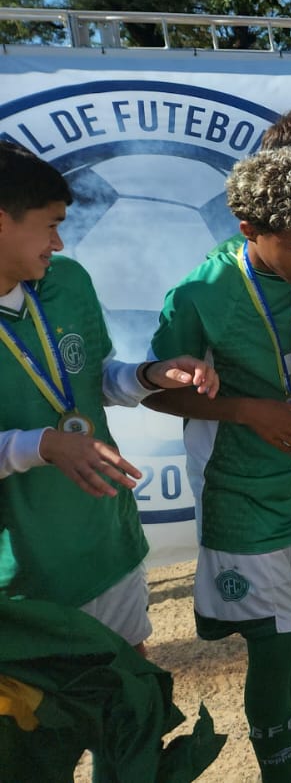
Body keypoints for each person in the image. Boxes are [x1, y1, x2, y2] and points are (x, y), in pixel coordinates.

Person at [0, 142, 219, 779]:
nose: (60, 245)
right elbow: (50, 429)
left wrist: (151, 375)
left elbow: (91, 380)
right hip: (25, 586)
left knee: (128, 717)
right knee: (37, 750)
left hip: (107, 544)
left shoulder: (66, 283)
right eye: (49, 226)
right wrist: (39, 446)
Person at [144, 147, 291, 783]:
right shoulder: (203, 292)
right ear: (247, 227)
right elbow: (157, 392)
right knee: (275, 644)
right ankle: (279, 776)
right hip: (243, 494)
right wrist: (248, 410)